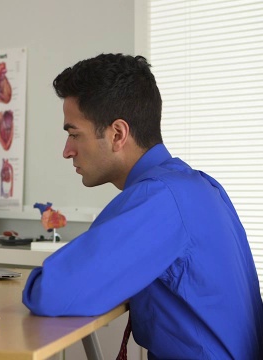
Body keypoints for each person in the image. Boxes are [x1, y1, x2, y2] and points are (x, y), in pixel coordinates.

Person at [22, 53, 263, 359]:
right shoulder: (196, 185)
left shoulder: (160, 198)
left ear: (118, 134)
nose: (67, 151)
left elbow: (52, 293)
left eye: (74, 134)